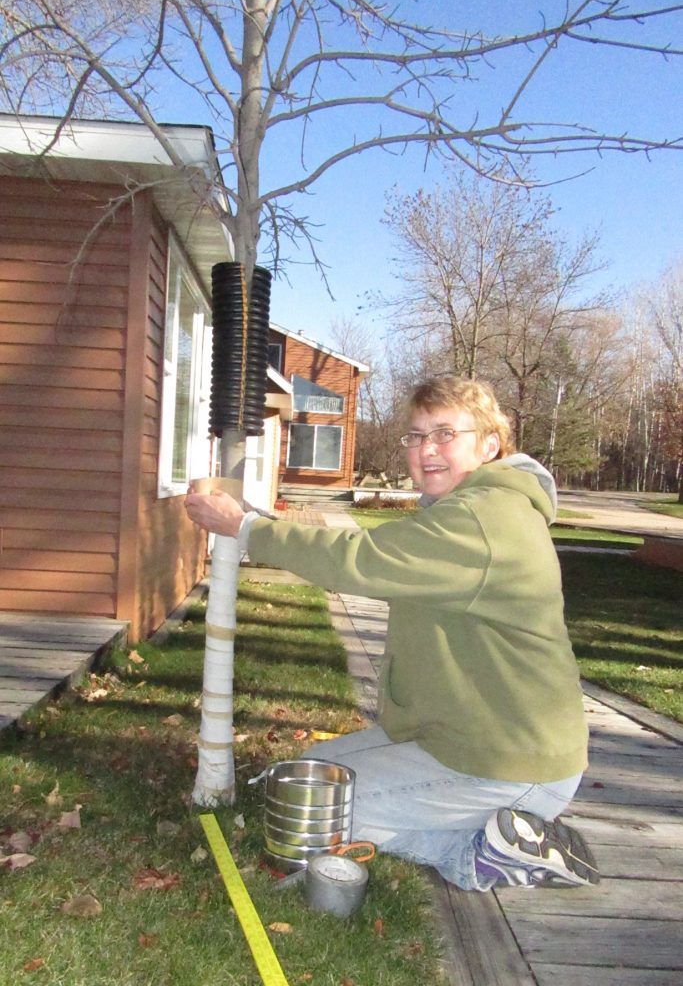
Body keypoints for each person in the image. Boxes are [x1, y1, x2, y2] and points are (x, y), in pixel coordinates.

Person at [184, 375, 599, 891]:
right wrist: (253, 519)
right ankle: (495, 831)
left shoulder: (483, 519)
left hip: (509, 764)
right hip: (462, 743)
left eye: (445, 433)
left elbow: (358, 561)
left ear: (490, 444)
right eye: (417, 435)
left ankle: (484, 854)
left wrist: (246, 530)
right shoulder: (473, 510)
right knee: (305, 775)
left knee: (313, 813)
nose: (426, 449)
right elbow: (372, 554)